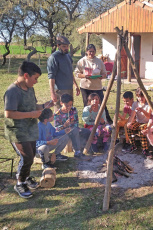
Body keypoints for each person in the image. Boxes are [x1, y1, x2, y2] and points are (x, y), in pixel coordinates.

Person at [4, 61, 53, 199]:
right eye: (35, 78)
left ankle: (25, 178)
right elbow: (9, 113)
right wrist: (31, 114)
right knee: (26, 157)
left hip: (30, 129)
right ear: (26, 75)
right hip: (17, 132)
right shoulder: (12, 91)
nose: (36, 82)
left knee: (31, 155)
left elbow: (34, 106)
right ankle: (20, 183)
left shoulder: (30, 88)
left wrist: (45, 105)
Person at [74, 44, 113, 124]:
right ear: (87, 52)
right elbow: (77, 74)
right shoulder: (82, 61)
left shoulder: (99, 62)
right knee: (87, 105)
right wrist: (85, 76)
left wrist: (101, 76)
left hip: (97, 87)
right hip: (85, 87)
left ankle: (107, 121)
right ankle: (88, 122)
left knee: (102, 105)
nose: (91, 53)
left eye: (93, 51)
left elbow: (105, 73)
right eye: (90, 51)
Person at [47, 35, 80, 110]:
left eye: (67, 46)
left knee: (69, 109)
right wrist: (52, 93)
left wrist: (75, 85)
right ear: (58, 45)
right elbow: (51, 77)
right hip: (59, 90)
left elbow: (70, 72)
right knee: (60, 112)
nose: (66, 48)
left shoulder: (67, 56)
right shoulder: (53, 58)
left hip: (69, 88)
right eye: (64, 46)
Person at [54, 94, 90, 158]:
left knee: (85, 131)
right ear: (61, 103)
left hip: (73, 130)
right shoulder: (57, 114)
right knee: (74, 130)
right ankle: (76, 151)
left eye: (70, 105)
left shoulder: (73, 110)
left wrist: (73, 126)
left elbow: (76, 122)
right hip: (64, 132)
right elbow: (56, 129)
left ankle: (80, 149)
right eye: (67, 105)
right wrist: (64, 125)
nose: (69, 107)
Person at [126, 88, 151, 157]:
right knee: (128, 127)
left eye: (142, 96)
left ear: (145, 96)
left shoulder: (148, 104)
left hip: (147, 123)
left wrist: (142, 110)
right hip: (139, 122)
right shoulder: (135, 104)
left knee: (141, 128)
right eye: (138, 97)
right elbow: (132, 116)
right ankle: (133, 145)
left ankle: (145, 148)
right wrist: (129, 123)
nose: (140, 98)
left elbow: (149, 116)